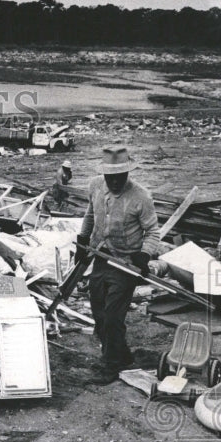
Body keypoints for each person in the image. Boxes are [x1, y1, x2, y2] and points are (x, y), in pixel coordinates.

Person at [77, 146, 159, 384]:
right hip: (101, 255)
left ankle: (111, 364)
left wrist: (144, 255)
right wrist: (82, 242)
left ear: (127, 174)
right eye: (109, 177)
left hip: (127, 262)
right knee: (99, 311)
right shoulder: (95, 186)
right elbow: (90, 215)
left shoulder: (141, 196)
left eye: (119, 177)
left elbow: (152, 231)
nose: (114, 182)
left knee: (113, 315)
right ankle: (121, 355)